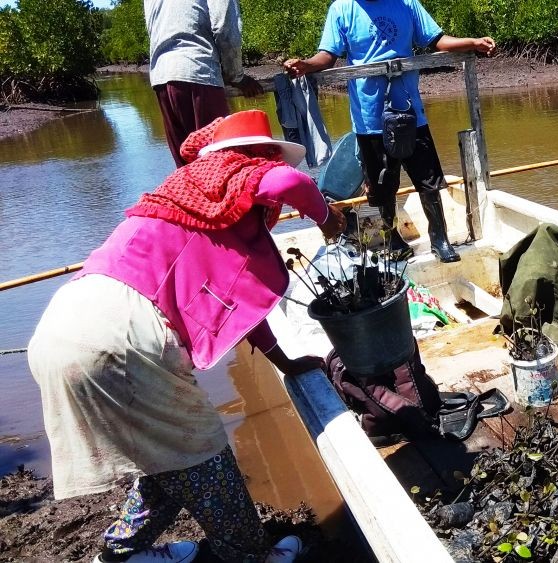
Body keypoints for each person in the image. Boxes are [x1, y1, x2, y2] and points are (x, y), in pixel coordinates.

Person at [27, 110, 346, 563]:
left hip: (61, 327)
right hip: (123, 337)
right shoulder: (235, 186)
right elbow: (286, 184)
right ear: (251, 162)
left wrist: (288, 364)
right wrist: (327, 217)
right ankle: (249, 554)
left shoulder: (184, 203)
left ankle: (118, 553)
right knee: (203, 451)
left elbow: (240, 314)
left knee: (164, 459)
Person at [283, 0, 497, 263]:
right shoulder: (342, 8)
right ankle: (392, 237)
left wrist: (472, 42)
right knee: (382, 182)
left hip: (409, 111)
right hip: (368, 117)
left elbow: (437, 40)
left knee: (427, 177)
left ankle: (439, 238)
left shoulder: (407, 3)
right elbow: (328, 55)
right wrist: (306, 65)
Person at [145, 0, 265, 167]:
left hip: (161, 76)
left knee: (187, 171)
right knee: (220, 164)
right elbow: (225, 28)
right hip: (198, 68)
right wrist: (237, 77)